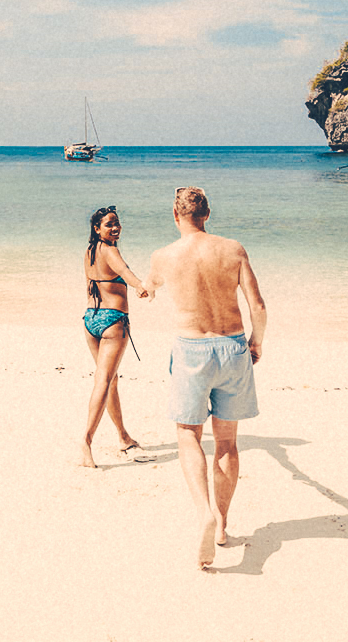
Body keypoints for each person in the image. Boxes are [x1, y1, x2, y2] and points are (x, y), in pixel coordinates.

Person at [147, 186, 267, 569]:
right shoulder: (233, 249)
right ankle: (222, 525)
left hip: (192, 349)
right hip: (232, 348)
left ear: (175, 214)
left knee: (188, 435)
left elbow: (150, 285)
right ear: (208, 213)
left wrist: (144, 289)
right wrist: (255, 343)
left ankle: (204, 513)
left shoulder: (164, 256)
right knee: (227, 442)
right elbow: (258, 306)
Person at [80, 205, 151, 469]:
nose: (115, 228)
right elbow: (124, 272)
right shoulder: (110, 250)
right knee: (104, 380)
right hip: (112, 322)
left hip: (90, 320)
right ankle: (86, 442)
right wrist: (141, 287)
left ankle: (123, 436)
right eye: (109, 224)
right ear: (97, 228)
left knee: (110, 381)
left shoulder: (89, 251)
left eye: (117, 223)